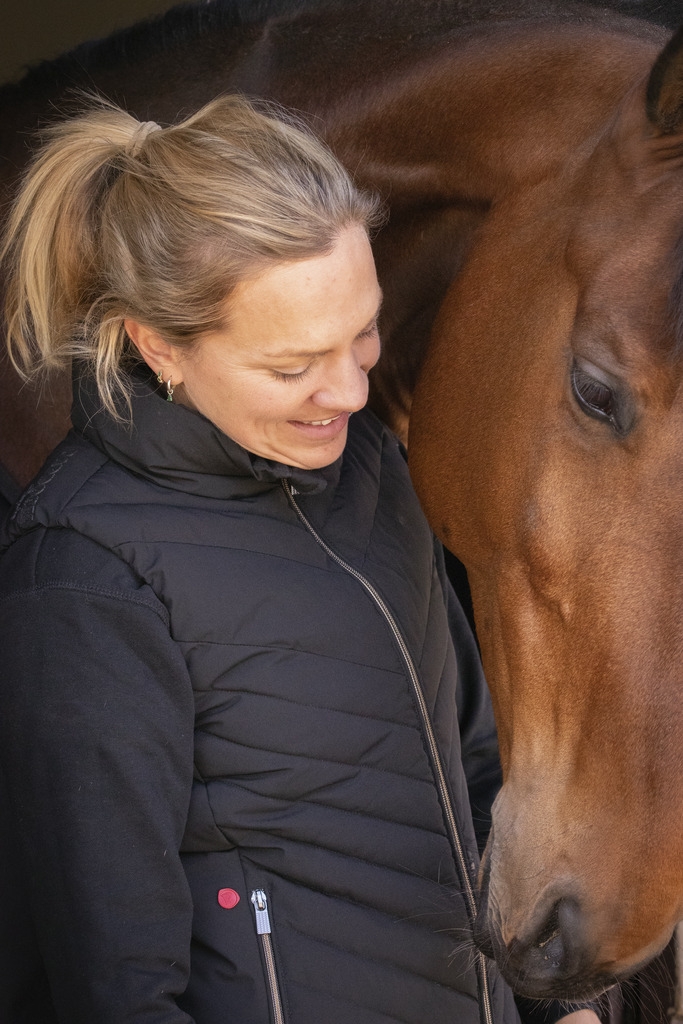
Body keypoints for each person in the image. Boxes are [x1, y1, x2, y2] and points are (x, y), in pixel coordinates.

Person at [0, 95, 592, 1024]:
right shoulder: (85, 576)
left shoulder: (372, 471)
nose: (351, 390)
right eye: (293, 366)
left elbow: (472, 759)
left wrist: (556, 1007)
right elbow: (112, 988)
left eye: (361, 331)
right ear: (157, 346)